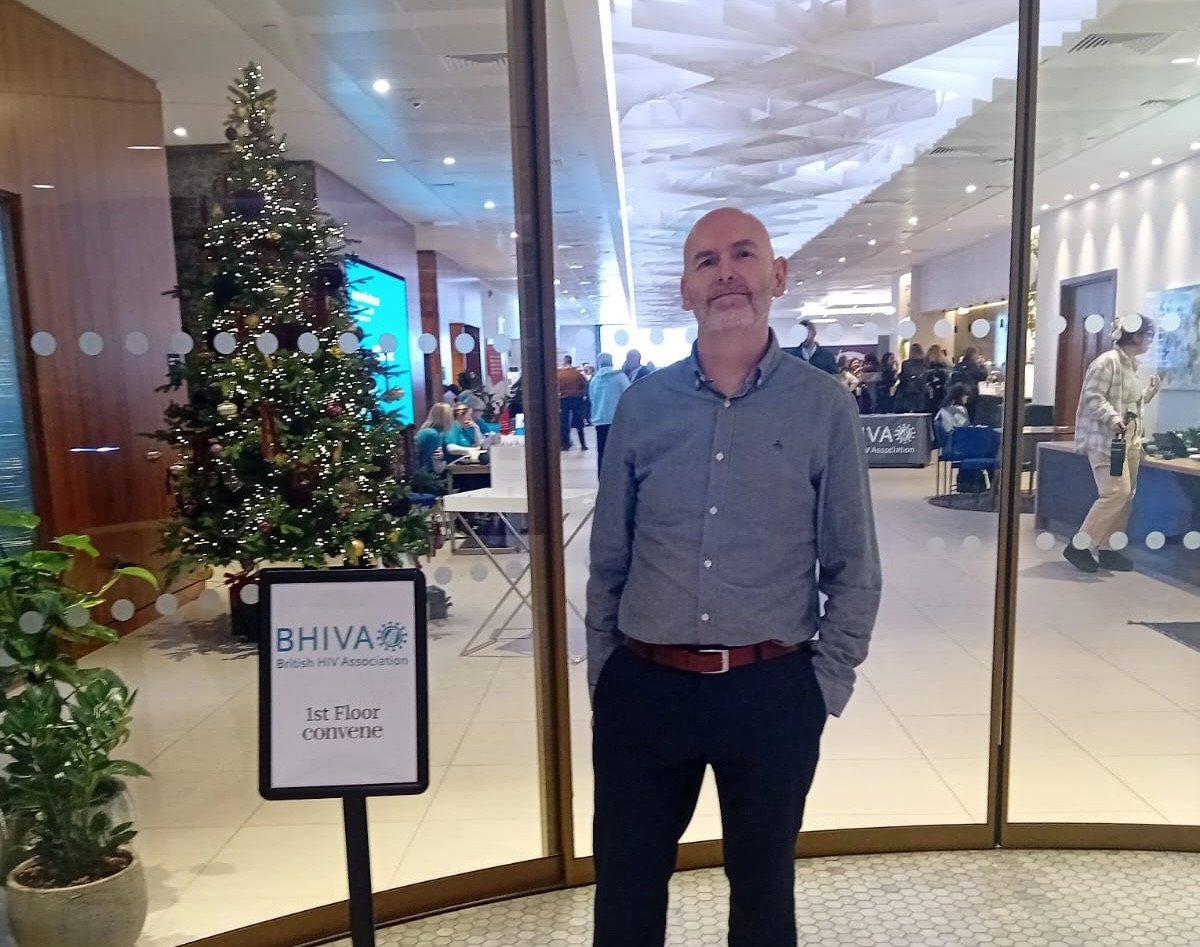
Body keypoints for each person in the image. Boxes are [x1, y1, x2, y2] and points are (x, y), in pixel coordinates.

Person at [586, 207, 881, 947]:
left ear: (776, 275)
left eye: (742, 255)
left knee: (763, 899)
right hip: (645, 688)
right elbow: (609, 558)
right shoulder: (643, 407)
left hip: (772, 688)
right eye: (706, 261)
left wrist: (823, 686)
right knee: (624, 897)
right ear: (686, 289)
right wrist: (605, 678)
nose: (725, 274)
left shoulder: (823, 407)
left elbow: (854, 563)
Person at [1064, 314, 1160, 573]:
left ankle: (1108, 548)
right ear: (1136, 336)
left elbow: (1128, 402)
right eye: (1148, 336)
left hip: (1130, 440)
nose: (1150, 341)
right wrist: (1113, 419)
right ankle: (1080, 546)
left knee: (1126, 495)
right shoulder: (1107, 362)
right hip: (1107, 440)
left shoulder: (1131, 365)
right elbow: (1093, 397)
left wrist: (1148, 394)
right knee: (1115, 492)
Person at [935, 383, 987, 493]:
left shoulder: (943, 409)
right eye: (965, 395)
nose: (967, 398)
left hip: (948, 446)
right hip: (958, 446)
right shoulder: (959, 410)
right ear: (960, 396)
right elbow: (965, 429)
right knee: (987, 450)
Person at [588, 352, 630, 473]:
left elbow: (592, 398)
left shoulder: (594, 380)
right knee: (618, 451)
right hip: (617, 420)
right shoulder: (620, 377)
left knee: (602, 451)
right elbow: (629, 395)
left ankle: (602, 476)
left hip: (600, 420)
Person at [558, 354, 589, 451]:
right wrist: (582, 394)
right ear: (571, 361)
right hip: (577, 399)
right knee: (579, 423)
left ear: (564, 362)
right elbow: (584, 383)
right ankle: (583, 444)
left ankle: (565, 445)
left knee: (564, 423)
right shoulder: (577, 373)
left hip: (564, 399)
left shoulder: (560, 374)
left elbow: (556, 386)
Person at [951, 346, 989, 422]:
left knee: (960, 414)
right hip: (971, 394)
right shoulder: (973, 366)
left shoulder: (958, 366)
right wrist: (982, 365)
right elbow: (983, 376)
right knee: (970, 415)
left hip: (958, 394)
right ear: (973, 354)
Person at [897, 342, 927, 413]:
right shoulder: (926, 363)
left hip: (909, 389)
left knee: (911, 409)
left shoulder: (906, 363)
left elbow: (903, 377)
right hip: (922, 388)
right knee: (921, 408)